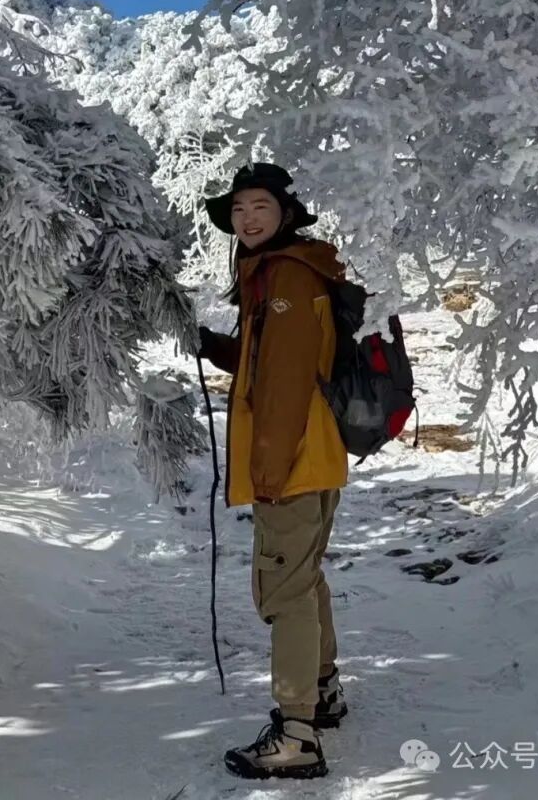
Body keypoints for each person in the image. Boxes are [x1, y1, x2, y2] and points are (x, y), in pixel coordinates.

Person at [198, 161, 349, 782]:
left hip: (293, 460)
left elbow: (284, 384)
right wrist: (217, 347)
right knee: (304, 580)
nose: (247, 218)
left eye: (259, 206)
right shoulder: (291, 268)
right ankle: (323, 692)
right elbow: (274, 358)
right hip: (318, 453)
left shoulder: (285, 274)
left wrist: (267, 471)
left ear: (285, 213)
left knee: (283, 592)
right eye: (238, 209)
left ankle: (297, 736)